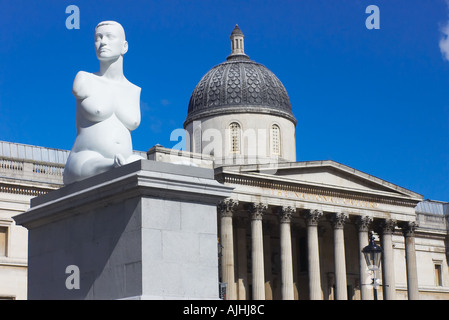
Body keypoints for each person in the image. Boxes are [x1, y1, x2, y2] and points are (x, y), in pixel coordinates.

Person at [63, 21, 144, 185]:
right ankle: (114, 165)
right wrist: (114, 163)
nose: (103, 42)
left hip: (125, 161)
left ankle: (120, 165)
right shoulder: (84, 79)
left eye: (109, 37)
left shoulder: (134, 90)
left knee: (139, 163)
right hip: (84, 161)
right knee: (117, 164)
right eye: (98, 38)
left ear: (124, 47)